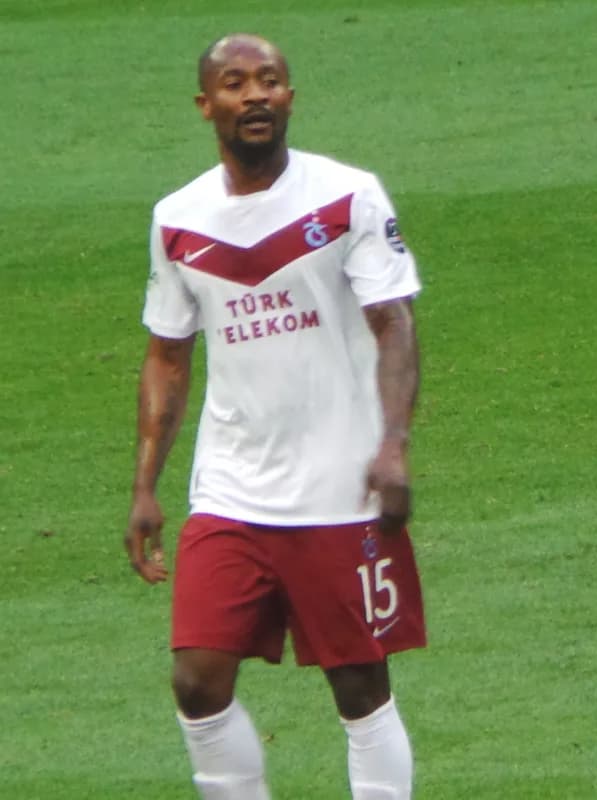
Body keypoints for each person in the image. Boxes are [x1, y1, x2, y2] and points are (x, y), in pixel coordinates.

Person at [125, 32, 426, 800]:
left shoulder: (347, 196)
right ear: (207, 105)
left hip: (339, 487)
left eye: (269, 80)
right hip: (231, 488)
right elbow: (167, 355)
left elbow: (394, 323)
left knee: (359, 686)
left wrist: (393, 446)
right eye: (235, 82)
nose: (255, 94)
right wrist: (146, 486)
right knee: (197, 681)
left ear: (289, 96)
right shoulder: (178, 219)